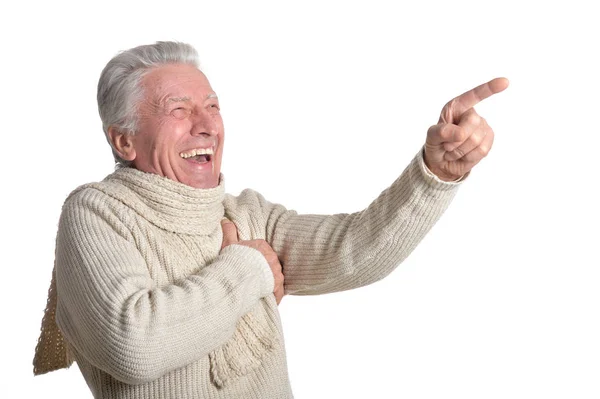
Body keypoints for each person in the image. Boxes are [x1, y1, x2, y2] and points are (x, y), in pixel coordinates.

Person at [33, 41, 508, 398]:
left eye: (212, 106)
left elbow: (354, 251)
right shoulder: (96, 213)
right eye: (179, 109)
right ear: (124, 141)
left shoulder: (244, 213)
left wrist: (435, 173)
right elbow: (134, 346)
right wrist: (249, 268)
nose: (206, 124)